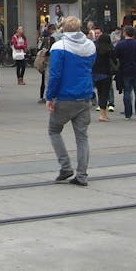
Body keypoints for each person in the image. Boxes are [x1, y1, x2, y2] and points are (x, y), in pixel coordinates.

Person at [46, 16, 96, 186]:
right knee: (82, 137)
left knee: (54, 130)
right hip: (85, 95)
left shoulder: (59, 46)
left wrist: (49, 96)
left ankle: (65, 166)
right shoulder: (90, 45)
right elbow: (91, 66)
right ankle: (82, 175)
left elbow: (55, 74)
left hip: (65, 96)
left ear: (64, 29)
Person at [114, 26, 136, 120]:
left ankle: (128, 114)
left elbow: (116, 58)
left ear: (124, 33)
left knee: (127, 92)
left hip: (124, 70)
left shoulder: (120, 45)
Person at [91, 29, 114, 123]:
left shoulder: (95, 49)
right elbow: (114, 61)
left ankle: (101, 112)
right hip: (106, 74)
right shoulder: (110, 50)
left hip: (96, 73)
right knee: (105, 94)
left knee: (100, 93)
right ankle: (103, 114)